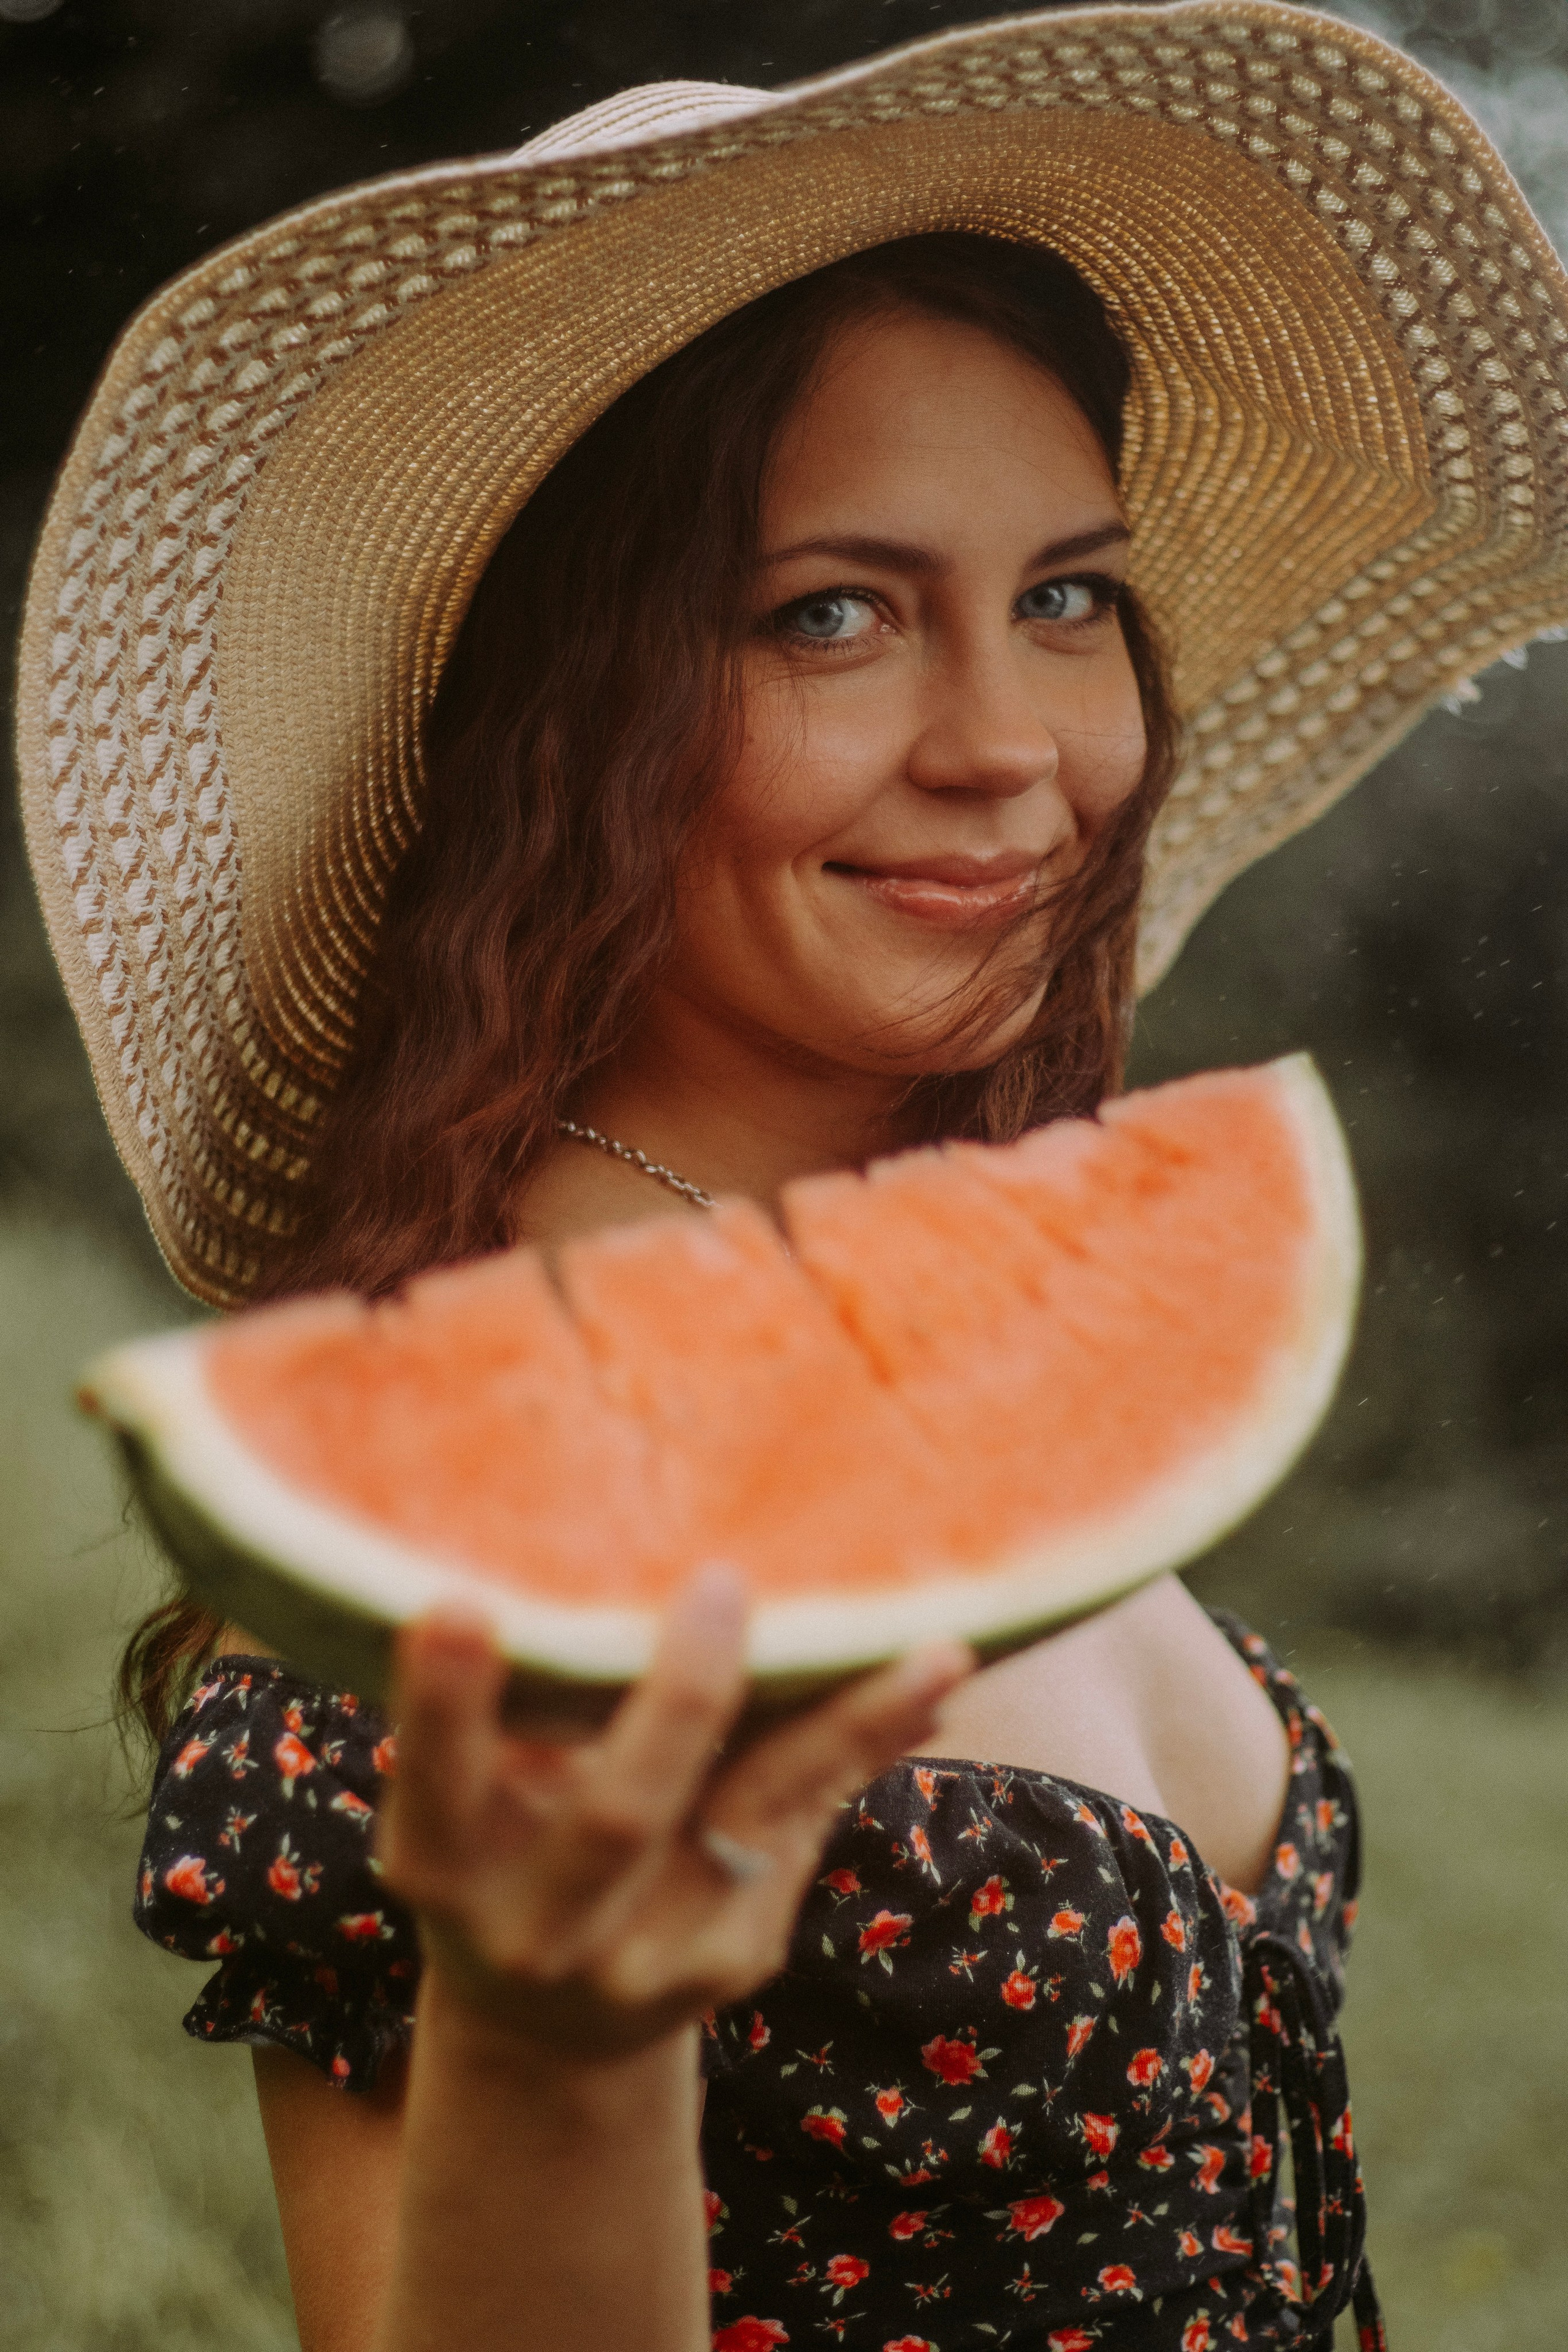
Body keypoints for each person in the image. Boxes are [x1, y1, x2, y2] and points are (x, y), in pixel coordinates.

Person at [17, 7, 1568, 2347]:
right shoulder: (476, 1536)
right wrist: (560, 2050)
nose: (1015, 751)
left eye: (1067, 598)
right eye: (830, 613)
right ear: (577, 713)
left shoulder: (951, 1327)